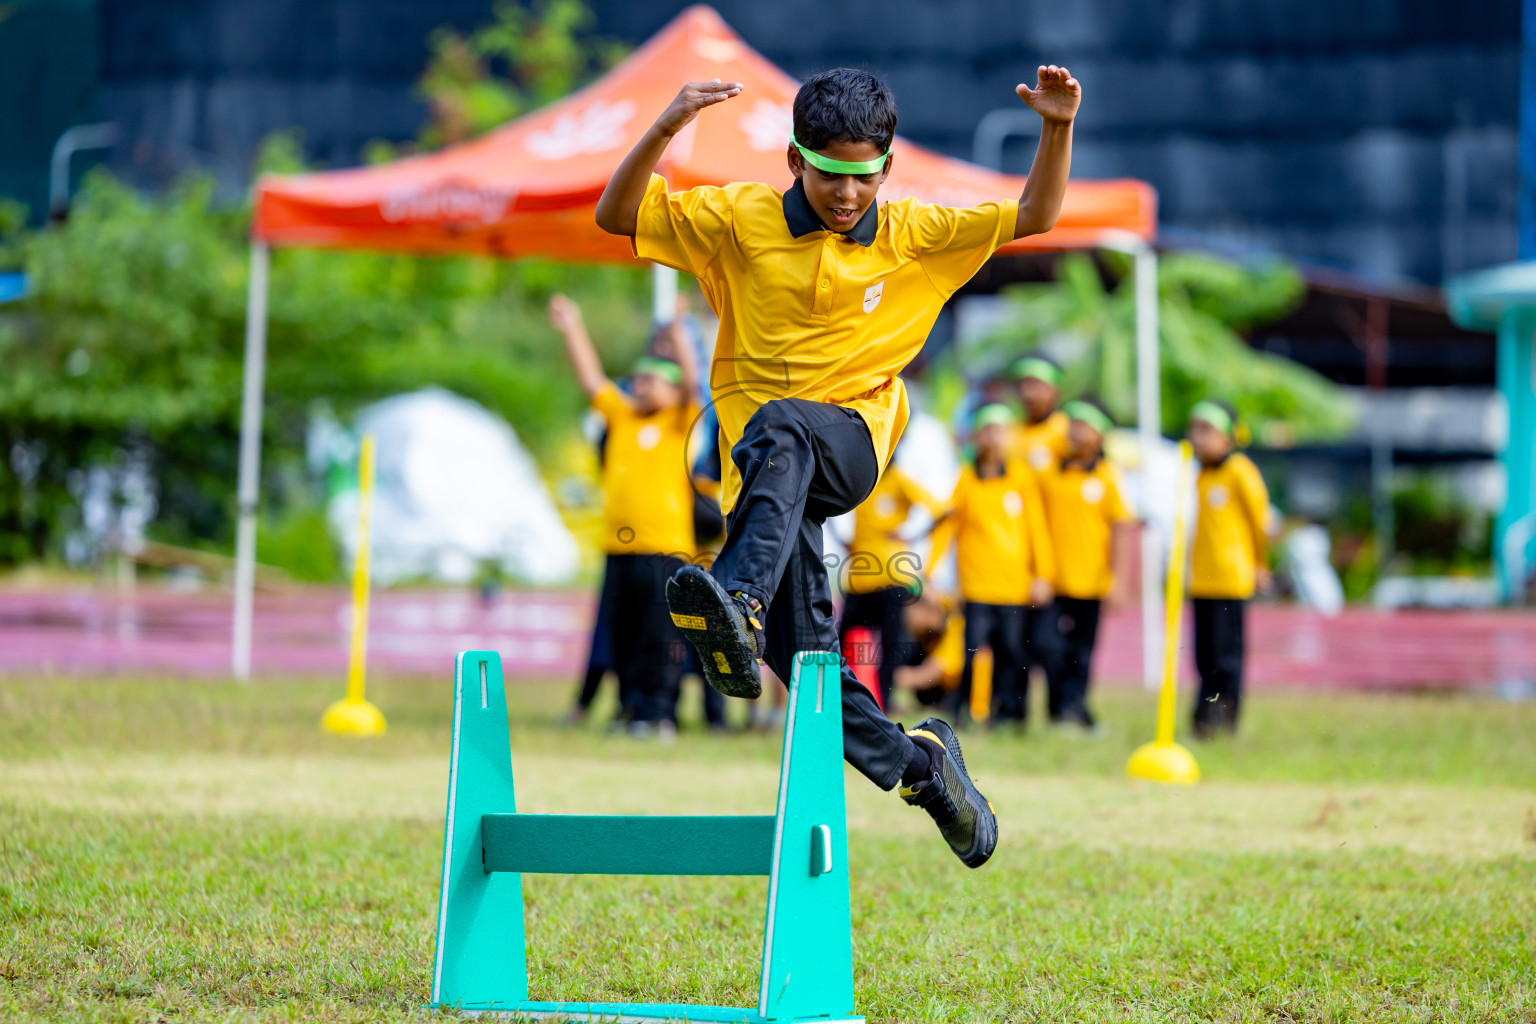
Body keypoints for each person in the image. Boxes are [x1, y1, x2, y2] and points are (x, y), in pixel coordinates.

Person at [595, 63, 1081, 867]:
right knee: (810, 665)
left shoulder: (913, 235)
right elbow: (618, 216)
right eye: (829, 174)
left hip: (853, 444)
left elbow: (1036, 212)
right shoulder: (737, 218)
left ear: (887, 168)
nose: (846, 194)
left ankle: (738, 602)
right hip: (767, 484)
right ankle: (924, 767)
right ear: (795, 160)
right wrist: (667, 125)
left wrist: (1056, 126)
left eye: (862, 177)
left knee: (783, 426)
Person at [549, 293, 700, 739]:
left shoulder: (679, 420)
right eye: (637, 380)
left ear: (671, 390)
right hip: (618, 547)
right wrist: (572, 327)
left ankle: (660, 713)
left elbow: (693, 381)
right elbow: (592, 380)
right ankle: (631, 709)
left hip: (666, 550)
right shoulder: (622, 418)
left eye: (653, 380)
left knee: (662, 638)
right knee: (624, 634)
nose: (642, 386)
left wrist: (675, 328)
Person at [927, 404, 1055, 727]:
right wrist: (927, 572)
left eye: (1001, 430)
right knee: (973, 652)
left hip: (1014, 585)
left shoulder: (1022, 479)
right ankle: (966, 713)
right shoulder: (967, 480)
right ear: (978, 436)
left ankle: (1011, 715)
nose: (995, 438)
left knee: (1013, 653)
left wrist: (1043, 575)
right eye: (988, 430)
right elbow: (947, 527)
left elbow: (1037, 529)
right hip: (976, 585)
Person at [1038, 397, 1135, 731]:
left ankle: (1074, 710)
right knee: (1048, 646)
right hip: (1053, 580)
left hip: (1091, 581)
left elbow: (1122, 529)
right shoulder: (1051, 473)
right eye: (1072, 424)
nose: (1074, 432)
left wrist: (1119, 582)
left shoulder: (1108, 477)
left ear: (1101, 436)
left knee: (1082, 651)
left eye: (1084, 425)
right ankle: (1058, 709)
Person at [1187, 399, 1271, 737]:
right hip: (1202, 581)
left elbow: (1260, 523)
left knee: (1226, 657)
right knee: (1203, 656)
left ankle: (1225, 719)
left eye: (1206, 430)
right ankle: (1203, 717)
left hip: (1231, 580)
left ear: (1228, 437)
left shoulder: (1239, 471)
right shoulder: (1197, 475)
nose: (1197, 438)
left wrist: (1260, 564)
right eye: (1194, 429)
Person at [839, 456, 949, 711]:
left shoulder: (899, 478)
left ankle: (882, 709)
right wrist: (846, 540)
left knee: (890, 649)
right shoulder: (862, 478)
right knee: (836, 646)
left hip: (891, 579)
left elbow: (941, 510)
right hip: (859, 581)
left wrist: (913, 534)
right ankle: (839, 705)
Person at [1009, 353, 1071, 474]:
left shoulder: (1068, 433)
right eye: (1022, 385)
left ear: (1055, 389)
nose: (1027, 394)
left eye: (1035, 385)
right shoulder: (1008, 434)